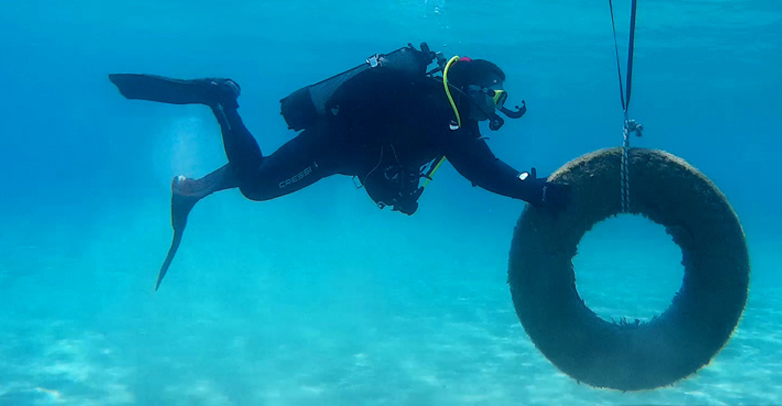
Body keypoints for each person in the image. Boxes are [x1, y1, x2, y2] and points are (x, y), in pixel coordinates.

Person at [110, 44, 570, 289]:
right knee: (258, 187)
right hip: (333, 147)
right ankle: (221, 100)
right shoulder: (441, 114)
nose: (496, 106)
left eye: (502, 98)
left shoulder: (446, 115)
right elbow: (483, 170)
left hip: (340, 153)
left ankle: (195, 187)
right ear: (470, 88)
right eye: (494, 95)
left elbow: (462, 161)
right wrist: (540, 192)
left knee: (266, 172)